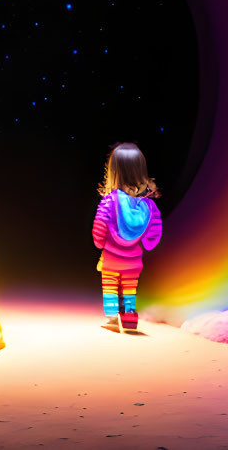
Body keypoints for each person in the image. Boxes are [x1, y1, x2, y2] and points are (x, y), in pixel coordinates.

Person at [92, 141, 162, 332]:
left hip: (111, 259)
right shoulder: (148, 206)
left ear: (114, 171)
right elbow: (154, 233)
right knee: (130, 288)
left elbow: (99, 226)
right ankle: (130, 318)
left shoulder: (109, 201)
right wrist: (147, 243)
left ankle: (112, 319)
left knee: (110, 287)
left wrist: (100, 243)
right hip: (133, 261)